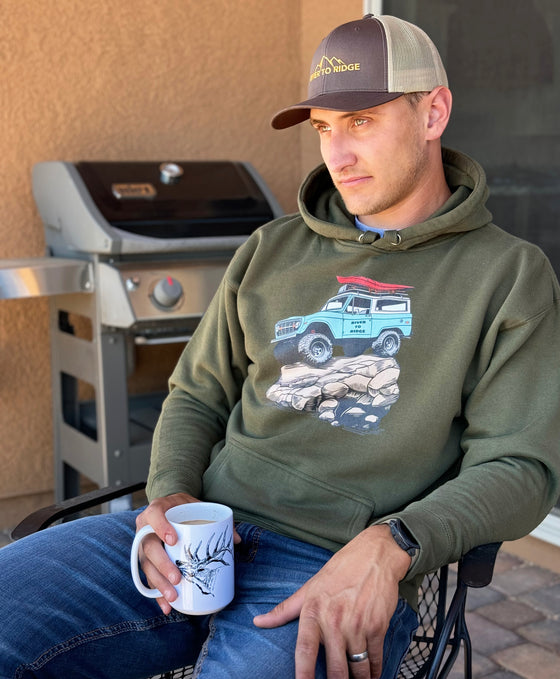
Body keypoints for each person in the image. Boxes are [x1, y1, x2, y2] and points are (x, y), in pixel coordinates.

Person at [1, 13, 560, 679]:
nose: (337, 153)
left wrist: (395, 544)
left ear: (433, 111)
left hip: (336, 563)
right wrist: (172, 494)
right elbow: (196, 393)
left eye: (361, 121)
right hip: (202, 531)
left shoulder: (508, 275)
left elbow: (522, 466)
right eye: (325, 127)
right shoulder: (272, 249)